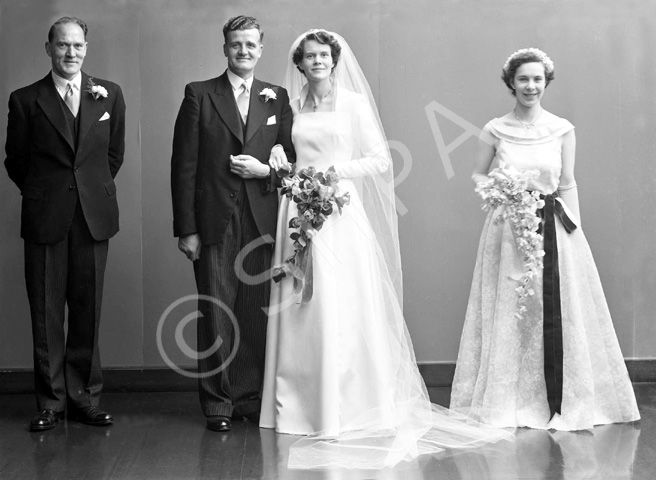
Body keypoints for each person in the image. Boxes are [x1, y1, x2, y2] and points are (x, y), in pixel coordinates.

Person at [259, 29, 513, 469]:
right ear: (298, 63)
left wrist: (330, 174)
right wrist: (283, 156)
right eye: (309, 56)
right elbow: (282, 149)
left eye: (324, 55)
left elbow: (380, 159)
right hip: (298, 210)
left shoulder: (354, 105)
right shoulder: (291, 107)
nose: (317, 61)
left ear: (334, 61)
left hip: (338, 212)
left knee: (340, 304)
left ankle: (347, 404)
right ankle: (298, 404)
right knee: (300, 305)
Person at [450, 48, 641, 430]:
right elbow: (477, 175)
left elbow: (567, 182)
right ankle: (507, 400)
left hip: (553, 229)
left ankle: (559, 398)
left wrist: (576, 236)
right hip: (508, 230)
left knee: (554, 307)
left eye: (537, 79)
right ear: (511, 83)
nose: (531, 86)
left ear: (546, 82)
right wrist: (505, 190)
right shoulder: (494, 129)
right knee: (512, 307)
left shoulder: (562, 129)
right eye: (523, 79)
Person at [170, 15, 294, 433]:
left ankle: (247, 397)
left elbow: (292, 157)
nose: (244, 51)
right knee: (215, 311)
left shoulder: (276, 98)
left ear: (261, 49)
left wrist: (276, 154)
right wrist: (186, 228)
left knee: (254, 312)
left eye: (251, 45)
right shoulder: (200, 94)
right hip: (213, 222)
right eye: (236, 44)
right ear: (225, 48)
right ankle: (218, 402)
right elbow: (183, 166)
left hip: (262, 220)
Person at [4, 17, 126, 431]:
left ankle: (84, 399)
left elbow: (114, 156)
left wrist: (89, 191)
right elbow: (16, 161)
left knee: (87, 312)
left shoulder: (109, 94)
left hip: (94, 217)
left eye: (77, 45)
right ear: (48, 49)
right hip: (45, 216)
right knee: (46, 312)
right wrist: (45, 193)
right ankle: (51, 403)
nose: (70, 53)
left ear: (86, 48)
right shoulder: (25, 100)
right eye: (62, 46)